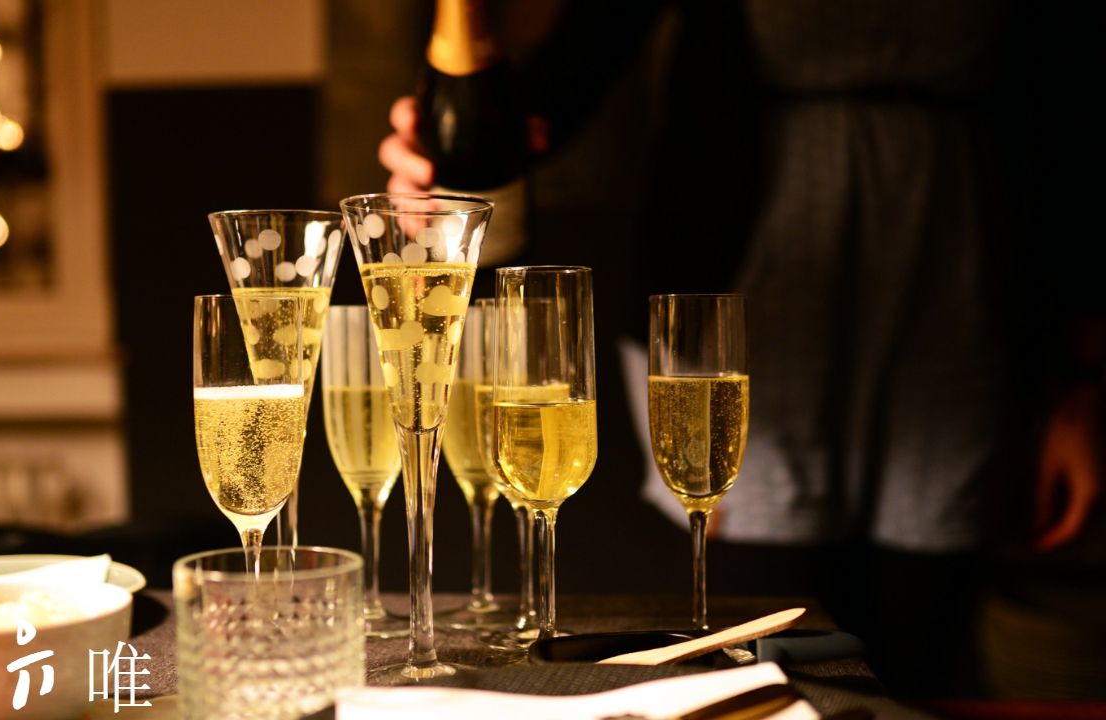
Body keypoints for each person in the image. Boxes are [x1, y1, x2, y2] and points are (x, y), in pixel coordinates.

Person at [379, 0, 1103, 697]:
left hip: (963, 274)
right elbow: (577, 61)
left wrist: (1084, 382)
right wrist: (446, 146)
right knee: (763, 608)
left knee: (926, 617)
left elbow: (1072, 103)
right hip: (741, 272)